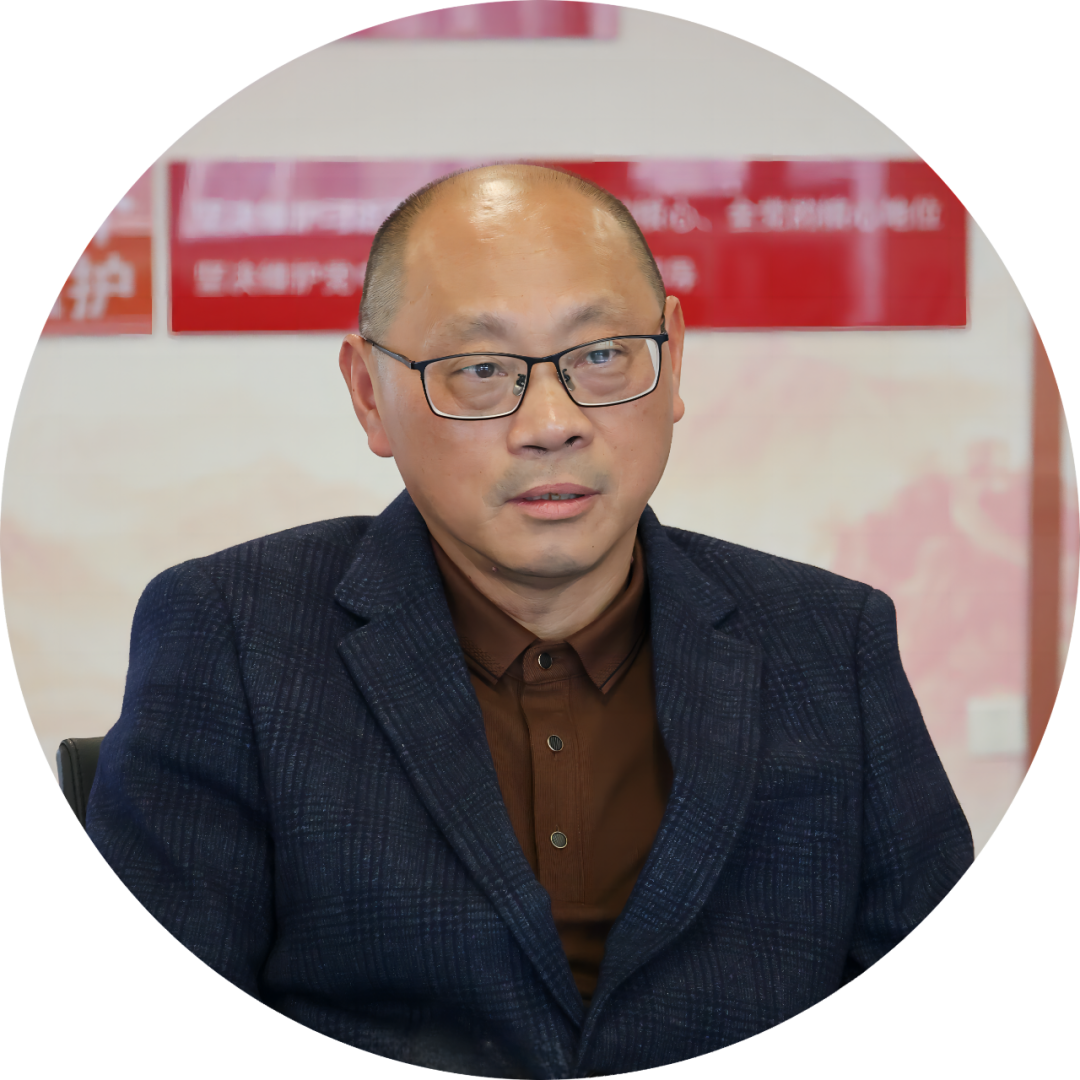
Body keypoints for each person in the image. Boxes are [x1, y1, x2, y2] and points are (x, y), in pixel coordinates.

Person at [86, 163, 973, 1077]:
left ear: (672, 359)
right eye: (481, 370)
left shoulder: (830, 640)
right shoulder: (234, 635)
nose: (553, 422)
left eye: (602, 356)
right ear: (368, 394)